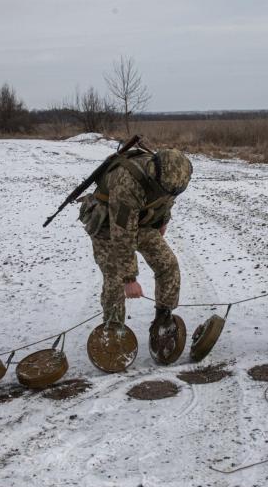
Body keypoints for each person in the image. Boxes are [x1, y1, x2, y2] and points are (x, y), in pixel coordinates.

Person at [80, 146, 193, 364]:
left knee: (168, 265)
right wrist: (130, 279)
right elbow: (121, 234)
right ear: (154, 173)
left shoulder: (171, 178)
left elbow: (167, 199)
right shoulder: (127, 183)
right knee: (114, 280)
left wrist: (162, 222)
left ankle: (163, 319)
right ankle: (113, 332)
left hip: (141, 222)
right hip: (107, 226)